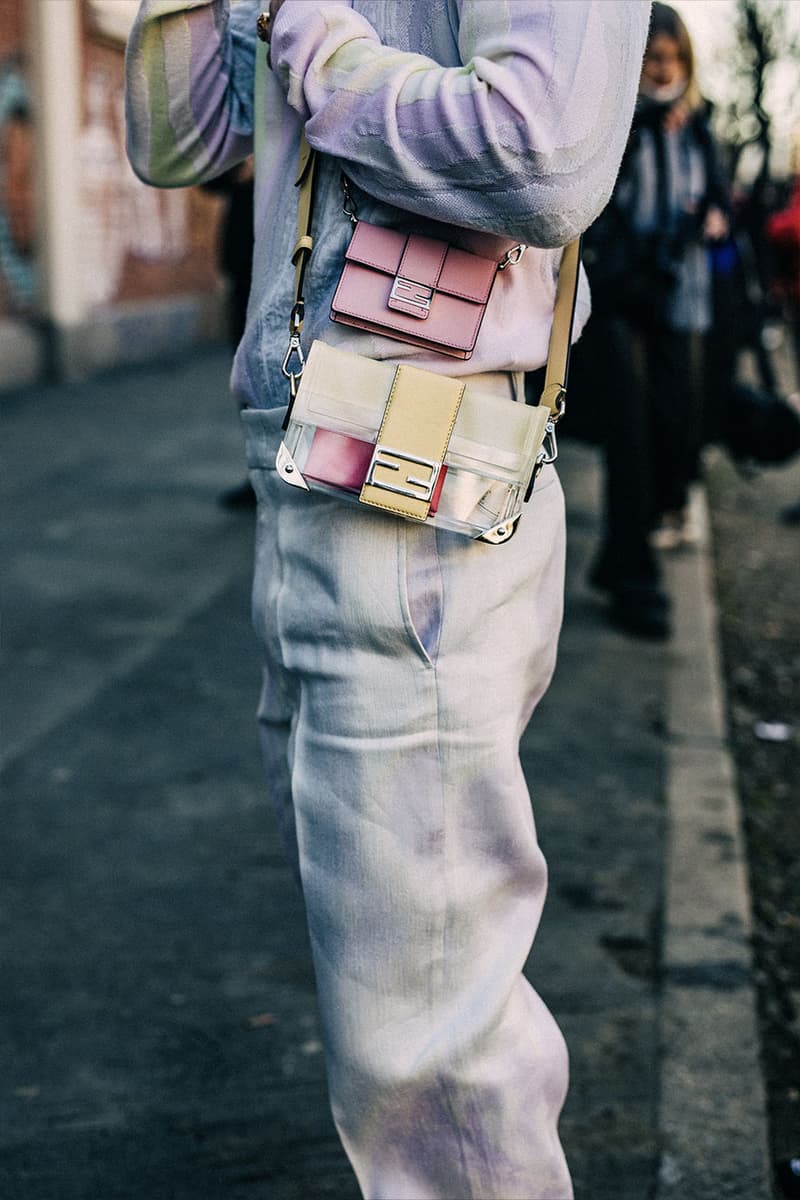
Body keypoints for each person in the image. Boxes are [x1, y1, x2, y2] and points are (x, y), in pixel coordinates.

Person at [125, 3, 649, 1197]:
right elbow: (179, 140)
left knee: (432, 1064)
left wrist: (316, 44)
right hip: (312, 464)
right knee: (395, 1028)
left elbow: (543, 147)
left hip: (414, 483)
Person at [578, 1, 729, 639]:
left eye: (671, 60)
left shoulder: (699, 129)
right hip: (624, 299)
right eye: (650, 59)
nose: (662, 71)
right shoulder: (613, 122)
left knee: (678, 427)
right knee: (631, 439)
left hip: (684, 298)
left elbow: (719, 200)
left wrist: (713, 219)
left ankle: (624, 559)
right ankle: (634, 575)